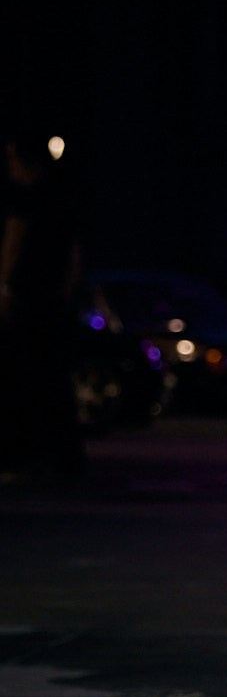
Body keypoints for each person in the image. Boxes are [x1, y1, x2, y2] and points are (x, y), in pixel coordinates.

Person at [0, 127, 85, 483]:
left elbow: (13, 243)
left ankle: (24, 457)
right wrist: (66, 293)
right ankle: (62, 458)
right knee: (54, 380)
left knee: (22, 379)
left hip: (28, 299)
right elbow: (74, 256)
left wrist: (4, 287)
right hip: (52, 302)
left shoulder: (26, 199)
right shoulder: (61, 198)